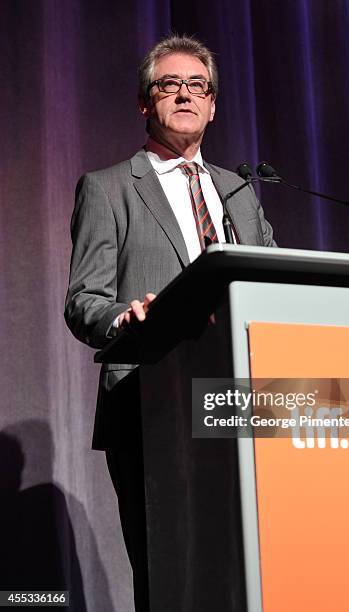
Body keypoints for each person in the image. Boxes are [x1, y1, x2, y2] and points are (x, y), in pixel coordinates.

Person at [65, 34, 275, 611]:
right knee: (170, 578)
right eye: (169, 84)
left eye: (197, 86)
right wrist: (123, 316)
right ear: (144, 102)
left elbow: (273, 281)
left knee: (246, 569)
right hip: (151, 400)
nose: (184, 94)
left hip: (242, 403)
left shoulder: (238, 191)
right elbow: (83, 299)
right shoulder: (109, 188)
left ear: (212, 104)